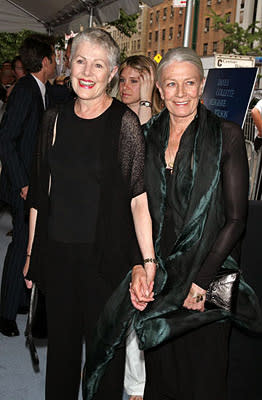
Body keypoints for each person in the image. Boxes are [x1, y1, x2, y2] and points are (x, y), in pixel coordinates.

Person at [80, 47, 261, 400]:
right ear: (160, 90)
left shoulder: (227, 135)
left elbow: (237, 218)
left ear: (202, 85)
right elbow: (133, 208)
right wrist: (138, 263)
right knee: (162, 375)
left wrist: (203, 281)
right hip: (162, 271)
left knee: (206, 375)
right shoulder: (145, 136)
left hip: (217, 272)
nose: (181, 93)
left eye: (189, 83)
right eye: (172, 85)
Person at [23, 28, 154, 400]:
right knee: (61, 357)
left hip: (105, 261)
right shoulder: (53, 119)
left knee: (103, 361)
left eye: (98, 64)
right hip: (59, 256)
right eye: (80, 60)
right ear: (67, 62)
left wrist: (147, 260)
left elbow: (138, 198)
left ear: (111, 73)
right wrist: (32, 255)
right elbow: (39, 194)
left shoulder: (123, 124)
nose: (87, 71)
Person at [0, 34, 56, 337]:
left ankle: (18, 301)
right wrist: (22, 183)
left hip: (30, 182)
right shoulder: (25, 91)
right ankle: (5, 313)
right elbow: (6, 140)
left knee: (27, 244)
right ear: (45, 61)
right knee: (21, 243)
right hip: (22, 184)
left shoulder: (38, 89)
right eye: (55, 57)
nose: (58, 61)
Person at [118, 55, 161, 400]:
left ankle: (137, 388)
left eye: (136, 80)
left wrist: (146, 101)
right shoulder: (111, 117)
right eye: (124, 80)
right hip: (114, 228)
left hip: (146, 228)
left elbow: (144, 155)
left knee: (140, 308)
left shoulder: (158, 122)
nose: (126, 87)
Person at [119, 55, 162, 125]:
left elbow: (144, 134)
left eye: (133, 81)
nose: (125, 87)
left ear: (150, 83)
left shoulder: (163, 121)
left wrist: (145, 102)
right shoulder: (112, 114)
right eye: (122, 80)